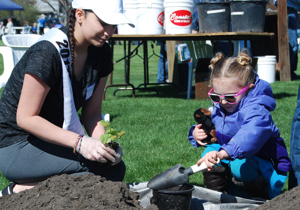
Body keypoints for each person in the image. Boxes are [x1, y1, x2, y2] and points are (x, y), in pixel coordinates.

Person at [0, 0, 134, 197]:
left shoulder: (103, 52)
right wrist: (81, 143)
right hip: (15, 144)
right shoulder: (47, 52)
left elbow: (92, 114)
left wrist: (106, 146)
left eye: (114, 25)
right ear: (80, 15)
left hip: (51, 139)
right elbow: (25, 118)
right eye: (104, 22)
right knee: (93, 171)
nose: (110, 31)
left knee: (114, 168)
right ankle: (18, 192)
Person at [188, 51, 292, 200]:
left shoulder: (256, 110)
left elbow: (250, 136)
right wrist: (196, 133)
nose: (223, 102)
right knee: (208, 155)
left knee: (239, 165)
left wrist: (223, 153)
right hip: (235, 155)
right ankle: (219, 196)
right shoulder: (222, 106)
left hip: (266, 164)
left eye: (229, 97)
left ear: (248, 89)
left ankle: (260, 199)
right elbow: (214, 127)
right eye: (216, 96)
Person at [275, 0, 300, 80]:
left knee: (291, 42)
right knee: (292, 43)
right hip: (288, 9)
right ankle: (288, 72)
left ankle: (288, 71)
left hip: (285, 8)